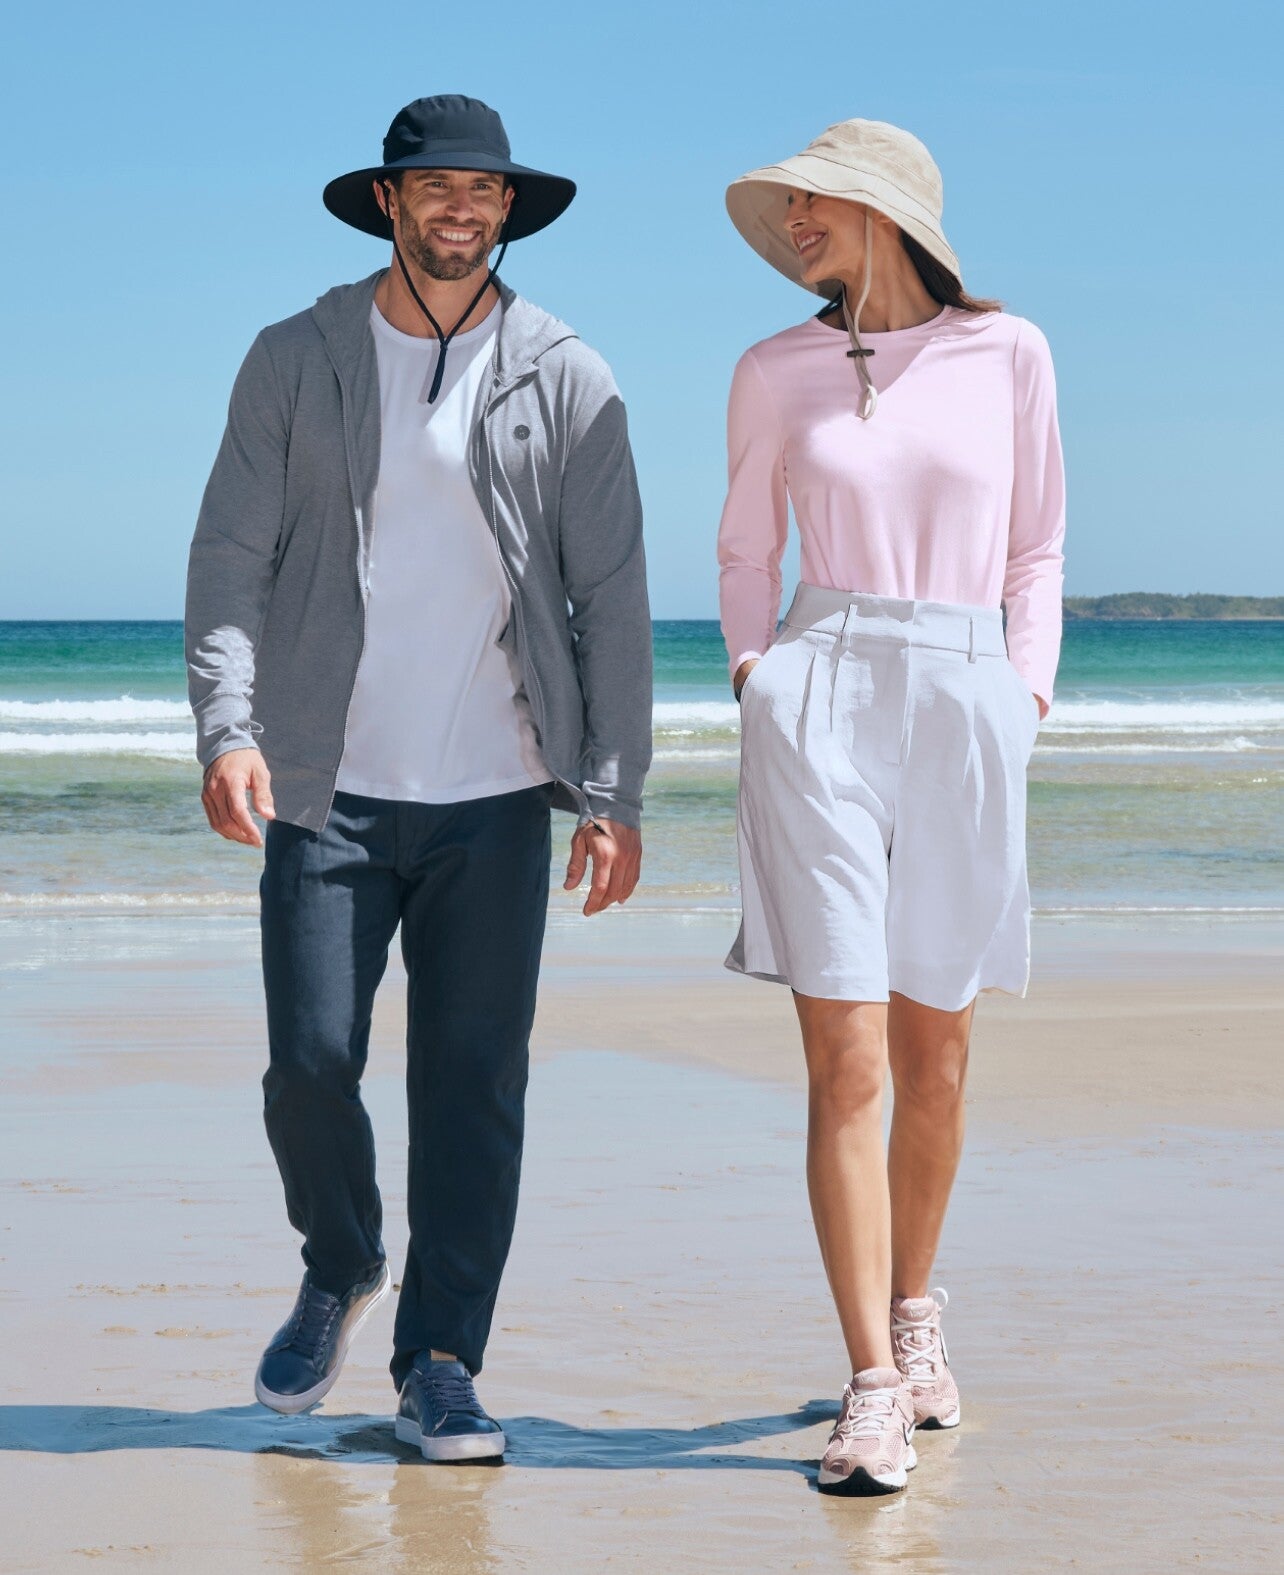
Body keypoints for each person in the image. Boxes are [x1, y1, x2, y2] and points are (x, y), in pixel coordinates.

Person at [185, 94, 651, 1463]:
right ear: (387, 203)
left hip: (498, 794)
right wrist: (230, 728)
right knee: (310, 1063)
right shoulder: (297, 357)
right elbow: (229, 559)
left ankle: (441, 1359)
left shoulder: (568, 374)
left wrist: (613, 791)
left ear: (509, 211)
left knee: (472, 1086)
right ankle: (341, 1258)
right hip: (328, 786)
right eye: (437, 188)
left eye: (486, 193)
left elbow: (611, 598)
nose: (463, 211)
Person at [717, 119, 1065, 1495]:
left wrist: (1020, 697)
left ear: (892, 216)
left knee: (939, 1055)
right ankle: (868, 1382)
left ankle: (918, 1315)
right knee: (847, 1057)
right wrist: (763, 678)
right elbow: (746, 547)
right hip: (821, 692)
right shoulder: (772, 370)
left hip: (967, 689)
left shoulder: (1011, 354)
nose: (796, 223)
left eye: (821, 202)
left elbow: (1037, 545)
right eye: (787, 206)